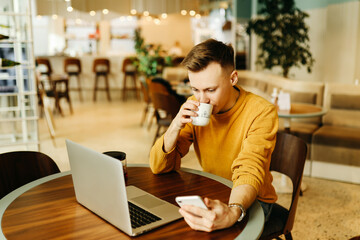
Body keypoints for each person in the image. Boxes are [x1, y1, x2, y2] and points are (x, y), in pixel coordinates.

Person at [149, 38, 278, 232]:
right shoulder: (195, 105)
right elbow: (159, 167)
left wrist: (234, 211)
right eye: (195, 89)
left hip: (253, 200)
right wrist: (175, 126)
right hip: (214, 189)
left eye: (210, 90)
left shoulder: (261, 112)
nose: (202, 100)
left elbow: (250, 168)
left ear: (233, 78)